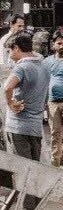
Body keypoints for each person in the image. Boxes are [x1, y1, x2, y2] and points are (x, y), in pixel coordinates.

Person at [3, 33, 49, 210]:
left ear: (16, 48)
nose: (9, 55)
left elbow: (7, 87)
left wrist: (10, 103)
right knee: (34, 170)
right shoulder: (44, 66)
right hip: (36, 126)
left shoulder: (21, 67)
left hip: (19, 126)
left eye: (9, 51)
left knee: (23, 171)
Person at [45, 30, 63, 167]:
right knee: (55, 133)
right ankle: (55, 164)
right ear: (53, 45)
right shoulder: (47, 62)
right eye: (59, 43)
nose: (62, 46)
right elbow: (43, 81)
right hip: (52, 103)